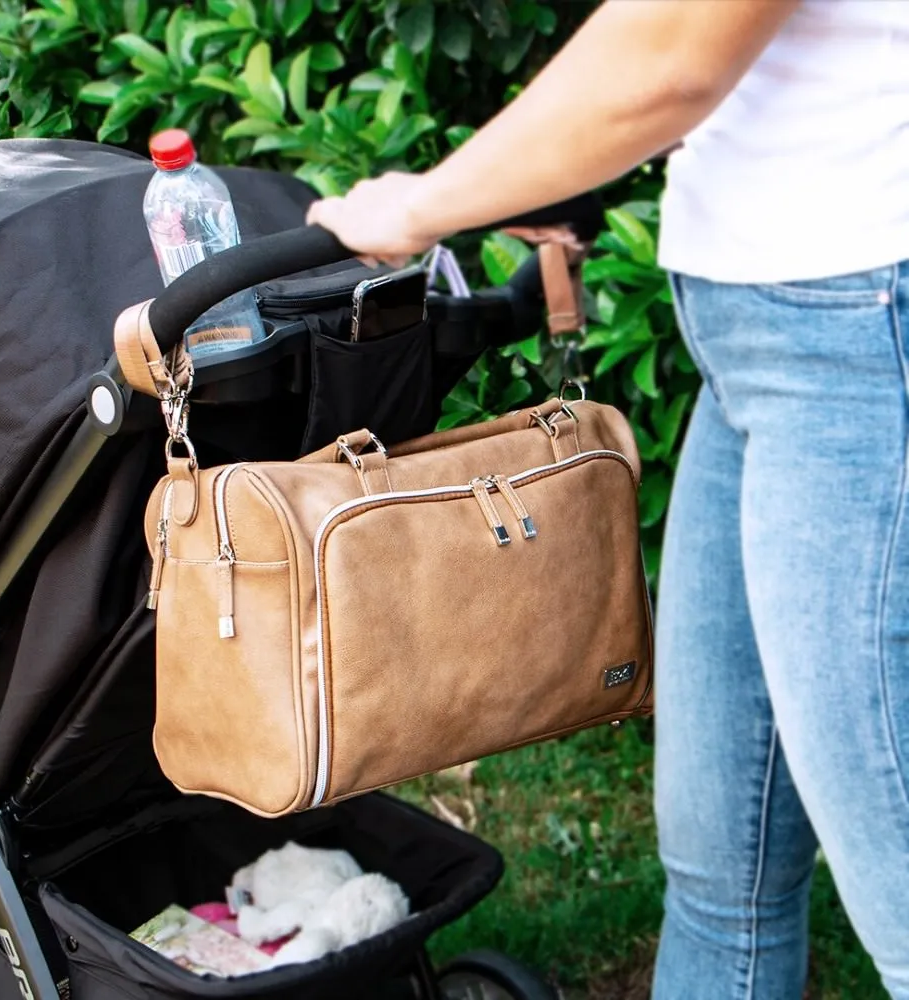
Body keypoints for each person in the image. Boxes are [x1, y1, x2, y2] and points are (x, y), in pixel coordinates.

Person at [306, 1, 909, 997]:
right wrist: (577, 159)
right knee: (724, 868)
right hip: (767, 343)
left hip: (855, 333)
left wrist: (417, 208)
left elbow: (672, 50)